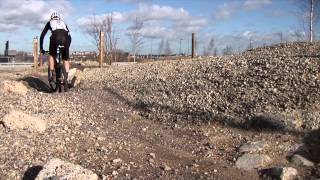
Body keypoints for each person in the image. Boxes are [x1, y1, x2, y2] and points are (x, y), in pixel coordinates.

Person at [40, 12, 71, 84]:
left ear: (52, 18)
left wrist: (41, 48)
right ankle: (67, 78)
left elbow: (42, 36)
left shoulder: (49, 22)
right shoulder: (63, 23)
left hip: (55, 37)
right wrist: (67, 47)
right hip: (66, 38)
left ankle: (52, 73)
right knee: (65, 59)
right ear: (59, 18)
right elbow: (69, 35)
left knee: (51, 55)